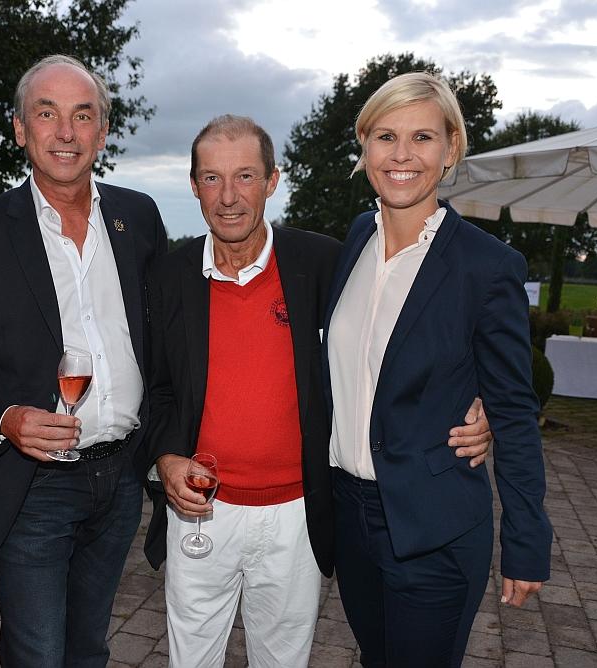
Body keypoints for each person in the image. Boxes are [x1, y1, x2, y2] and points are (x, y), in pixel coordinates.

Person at [140, 115, 492, 668]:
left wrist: (481, 401)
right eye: (212, 178)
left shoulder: (324, 262)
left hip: (298, 516)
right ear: (193, 185)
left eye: (245, 176)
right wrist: (165, 457)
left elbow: (412, 329)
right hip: (201, 512)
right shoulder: (169, 277)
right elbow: (158, 389)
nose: (229, 197)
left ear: (272, 181)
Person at [0, 55, 167, 667]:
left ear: (103, 130)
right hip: (35, 484)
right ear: (19, 128)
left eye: (82, 115)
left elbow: (162, 335)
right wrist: (5, 416)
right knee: (37, 653)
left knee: (89, 648)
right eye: (47, 114)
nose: (66, 132)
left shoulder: (139, 217)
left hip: (120, 477)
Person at [323, 72, 553, 668]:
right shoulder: (356, 239)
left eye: (422, 138)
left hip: (435, 528)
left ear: (451, 149)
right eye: (385, 136)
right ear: (364, 146)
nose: (401, 155)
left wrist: (526, 540)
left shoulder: (487, 266)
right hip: (351, 518)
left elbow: (514, 412)